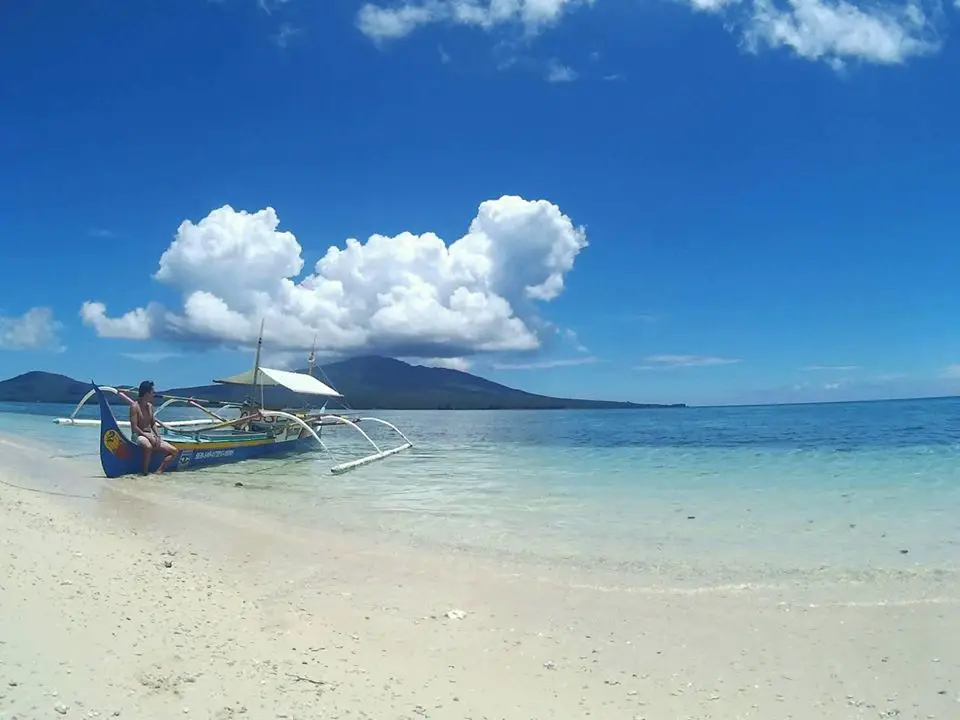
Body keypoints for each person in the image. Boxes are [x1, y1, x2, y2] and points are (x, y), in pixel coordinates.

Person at [130, 380, 178, 475]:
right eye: (153, 391)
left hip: (149, 435)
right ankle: (145, 472)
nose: (154, 394)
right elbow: (134, 426)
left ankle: (159, 471)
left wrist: (158, 436)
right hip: (138, 435)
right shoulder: (134, 406)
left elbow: (152, 423)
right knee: (148, 446)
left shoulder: (150, 406)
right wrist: (147, 436)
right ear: (147, 393)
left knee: (174, 451)